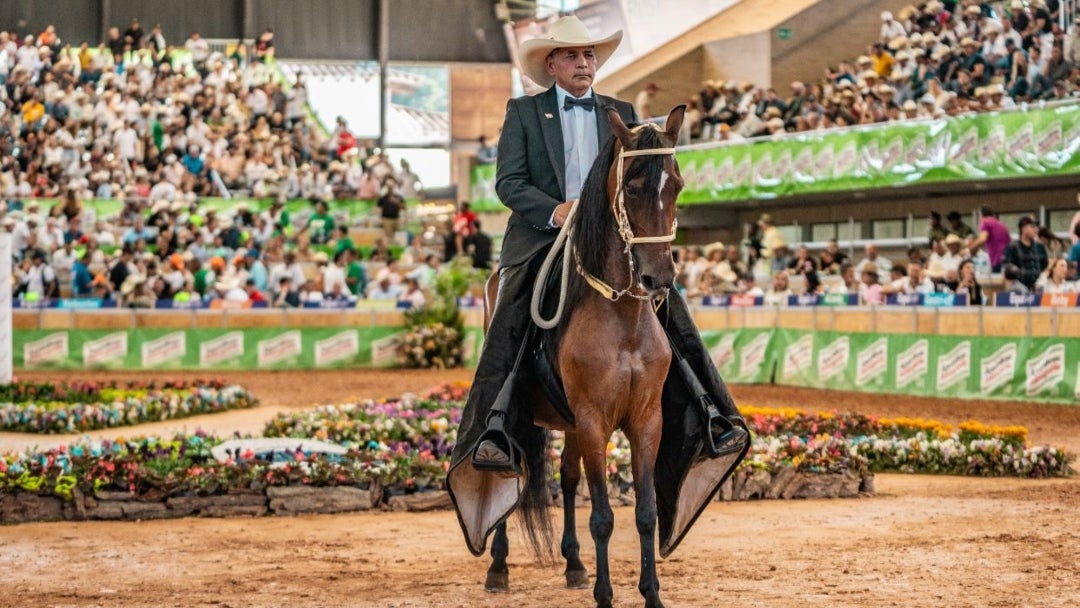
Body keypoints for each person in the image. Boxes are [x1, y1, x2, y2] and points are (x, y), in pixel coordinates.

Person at [454, 15, 746, 479]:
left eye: (588, 55)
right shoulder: (524, 112)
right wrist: (556, 211)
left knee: (670, 305)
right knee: (511, 313)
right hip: (541, 236)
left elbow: (641, 181)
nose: (583, 63)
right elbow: (509, 183)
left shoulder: (622, 112)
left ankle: (711, 413)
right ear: (551, 65)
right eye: (571, 55)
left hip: (609, 241)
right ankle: (493, 427)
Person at [1002, 216, 1048, 292]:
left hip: (1038, 288)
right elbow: (1007, 269)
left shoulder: (1040, 247)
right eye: (1032, 227)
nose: (1036, 230)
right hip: (1019, 288)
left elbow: (1045, 266)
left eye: (1036, 227)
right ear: (1023, 229)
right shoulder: (1013, 247)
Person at [970, 204, 1011, 271]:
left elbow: (982, 238)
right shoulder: (1000, 224)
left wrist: (969, 249)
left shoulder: (985, 222)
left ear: (981, 214)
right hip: (1008, 258)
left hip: (997, 259)